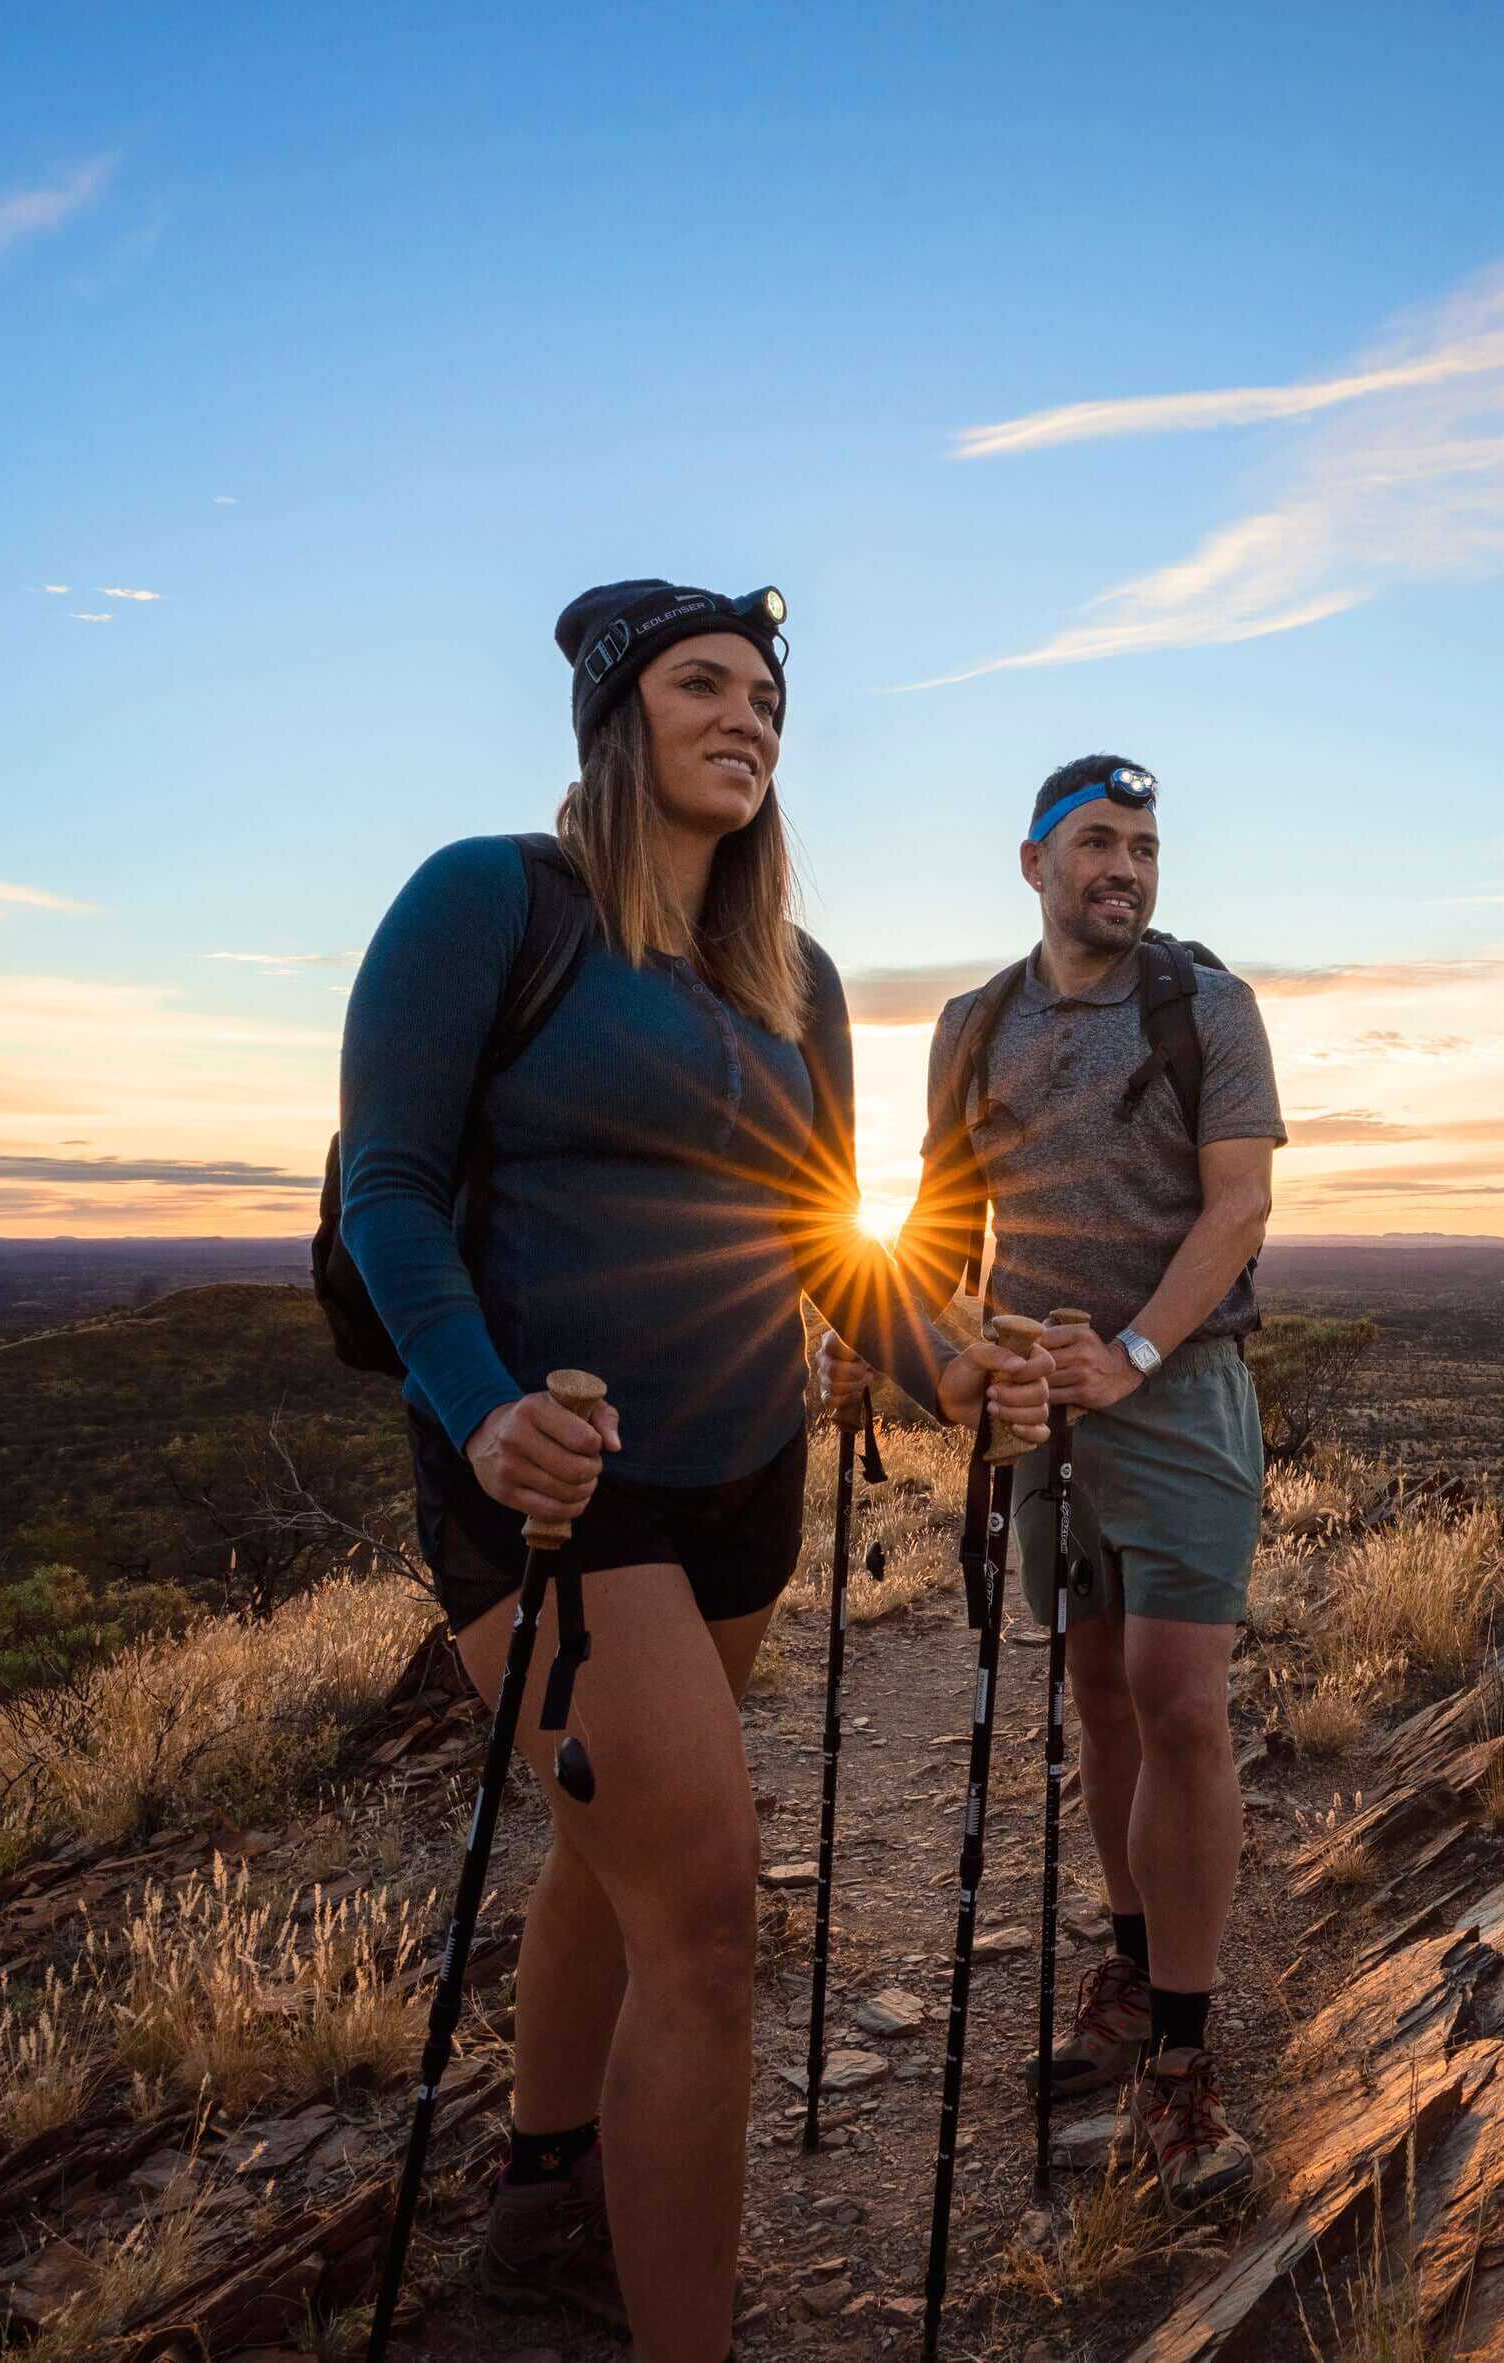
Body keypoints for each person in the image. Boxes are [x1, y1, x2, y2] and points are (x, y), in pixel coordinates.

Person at [336, 579, 1046, 2363]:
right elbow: (393, 1190)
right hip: (558, 1480)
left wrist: (942, 1359)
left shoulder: (793, 978)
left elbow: (818, 1236)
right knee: (712, 1914)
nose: (749, 718)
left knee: (619, 1860)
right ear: (614, 718)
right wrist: (487, 1409)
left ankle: (543, 2191)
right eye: (702, 685)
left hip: (744, 1477)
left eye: (770, 700)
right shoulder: (491, 903)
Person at [826, 752, 1284, 2205]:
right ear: (1032, 863)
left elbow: (1241, 1204)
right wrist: (880, 1328)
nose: (1127, 871)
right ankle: (1136, 1976)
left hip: (1177, 1388)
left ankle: (1185, 2064)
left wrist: (1137, 1352)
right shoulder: (974, 1026)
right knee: (1097, 1694)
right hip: (1031, 1395)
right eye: (1098, 843)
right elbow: (945, 1208)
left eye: (1145, 847)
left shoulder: (1205, 1005)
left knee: (1182, 1703)